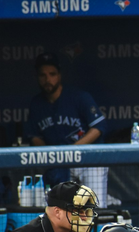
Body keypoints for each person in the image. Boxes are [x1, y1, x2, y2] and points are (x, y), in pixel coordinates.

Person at [24, 53, 109, 208]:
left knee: (94, 208)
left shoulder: (79, 97)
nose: (47, 79)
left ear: (60, 75)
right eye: (43, 75)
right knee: (62, 211)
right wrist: (52, 155)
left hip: (86, 160)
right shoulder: (36, 104)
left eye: (52, 74)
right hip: (58, 163)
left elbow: (98, 127)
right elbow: (34, 137)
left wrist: (73, 150)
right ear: (36, 77)